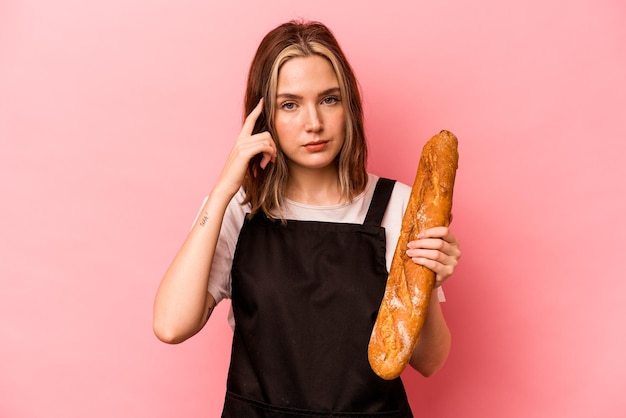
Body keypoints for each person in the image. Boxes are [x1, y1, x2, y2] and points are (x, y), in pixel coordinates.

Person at [153, 20, 461, 417]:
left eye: (329, 99)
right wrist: (224, 187)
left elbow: (429, 362)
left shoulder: (395, 205)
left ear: (348, 105)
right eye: (290, 104)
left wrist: (428, 283)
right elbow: (171, 325)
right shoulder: (239, 209)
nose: (313, 122)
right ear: (263, 117)